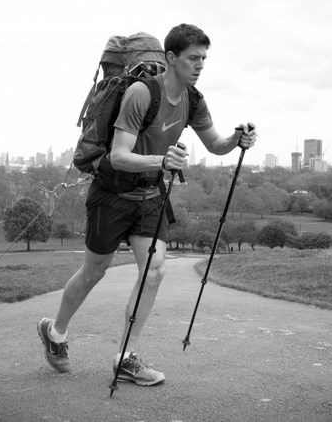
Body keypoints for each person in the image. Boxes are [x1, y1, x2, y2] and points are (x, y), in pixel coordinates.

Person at [37, 23, 257, 386]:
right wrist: (161, 162)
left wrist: (238, 137)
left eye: (204, 58)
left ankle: (125, 356)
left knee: (154, 271)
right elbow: (120, 155)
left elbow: (216, 144)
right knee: (94, 271)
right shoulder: (141, 93)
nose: (200, 65)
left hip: (151, 196)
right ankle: (55, 331)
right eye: (193, 58)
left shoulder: (194, 99)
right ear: (171, 58)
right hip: (112, 194)